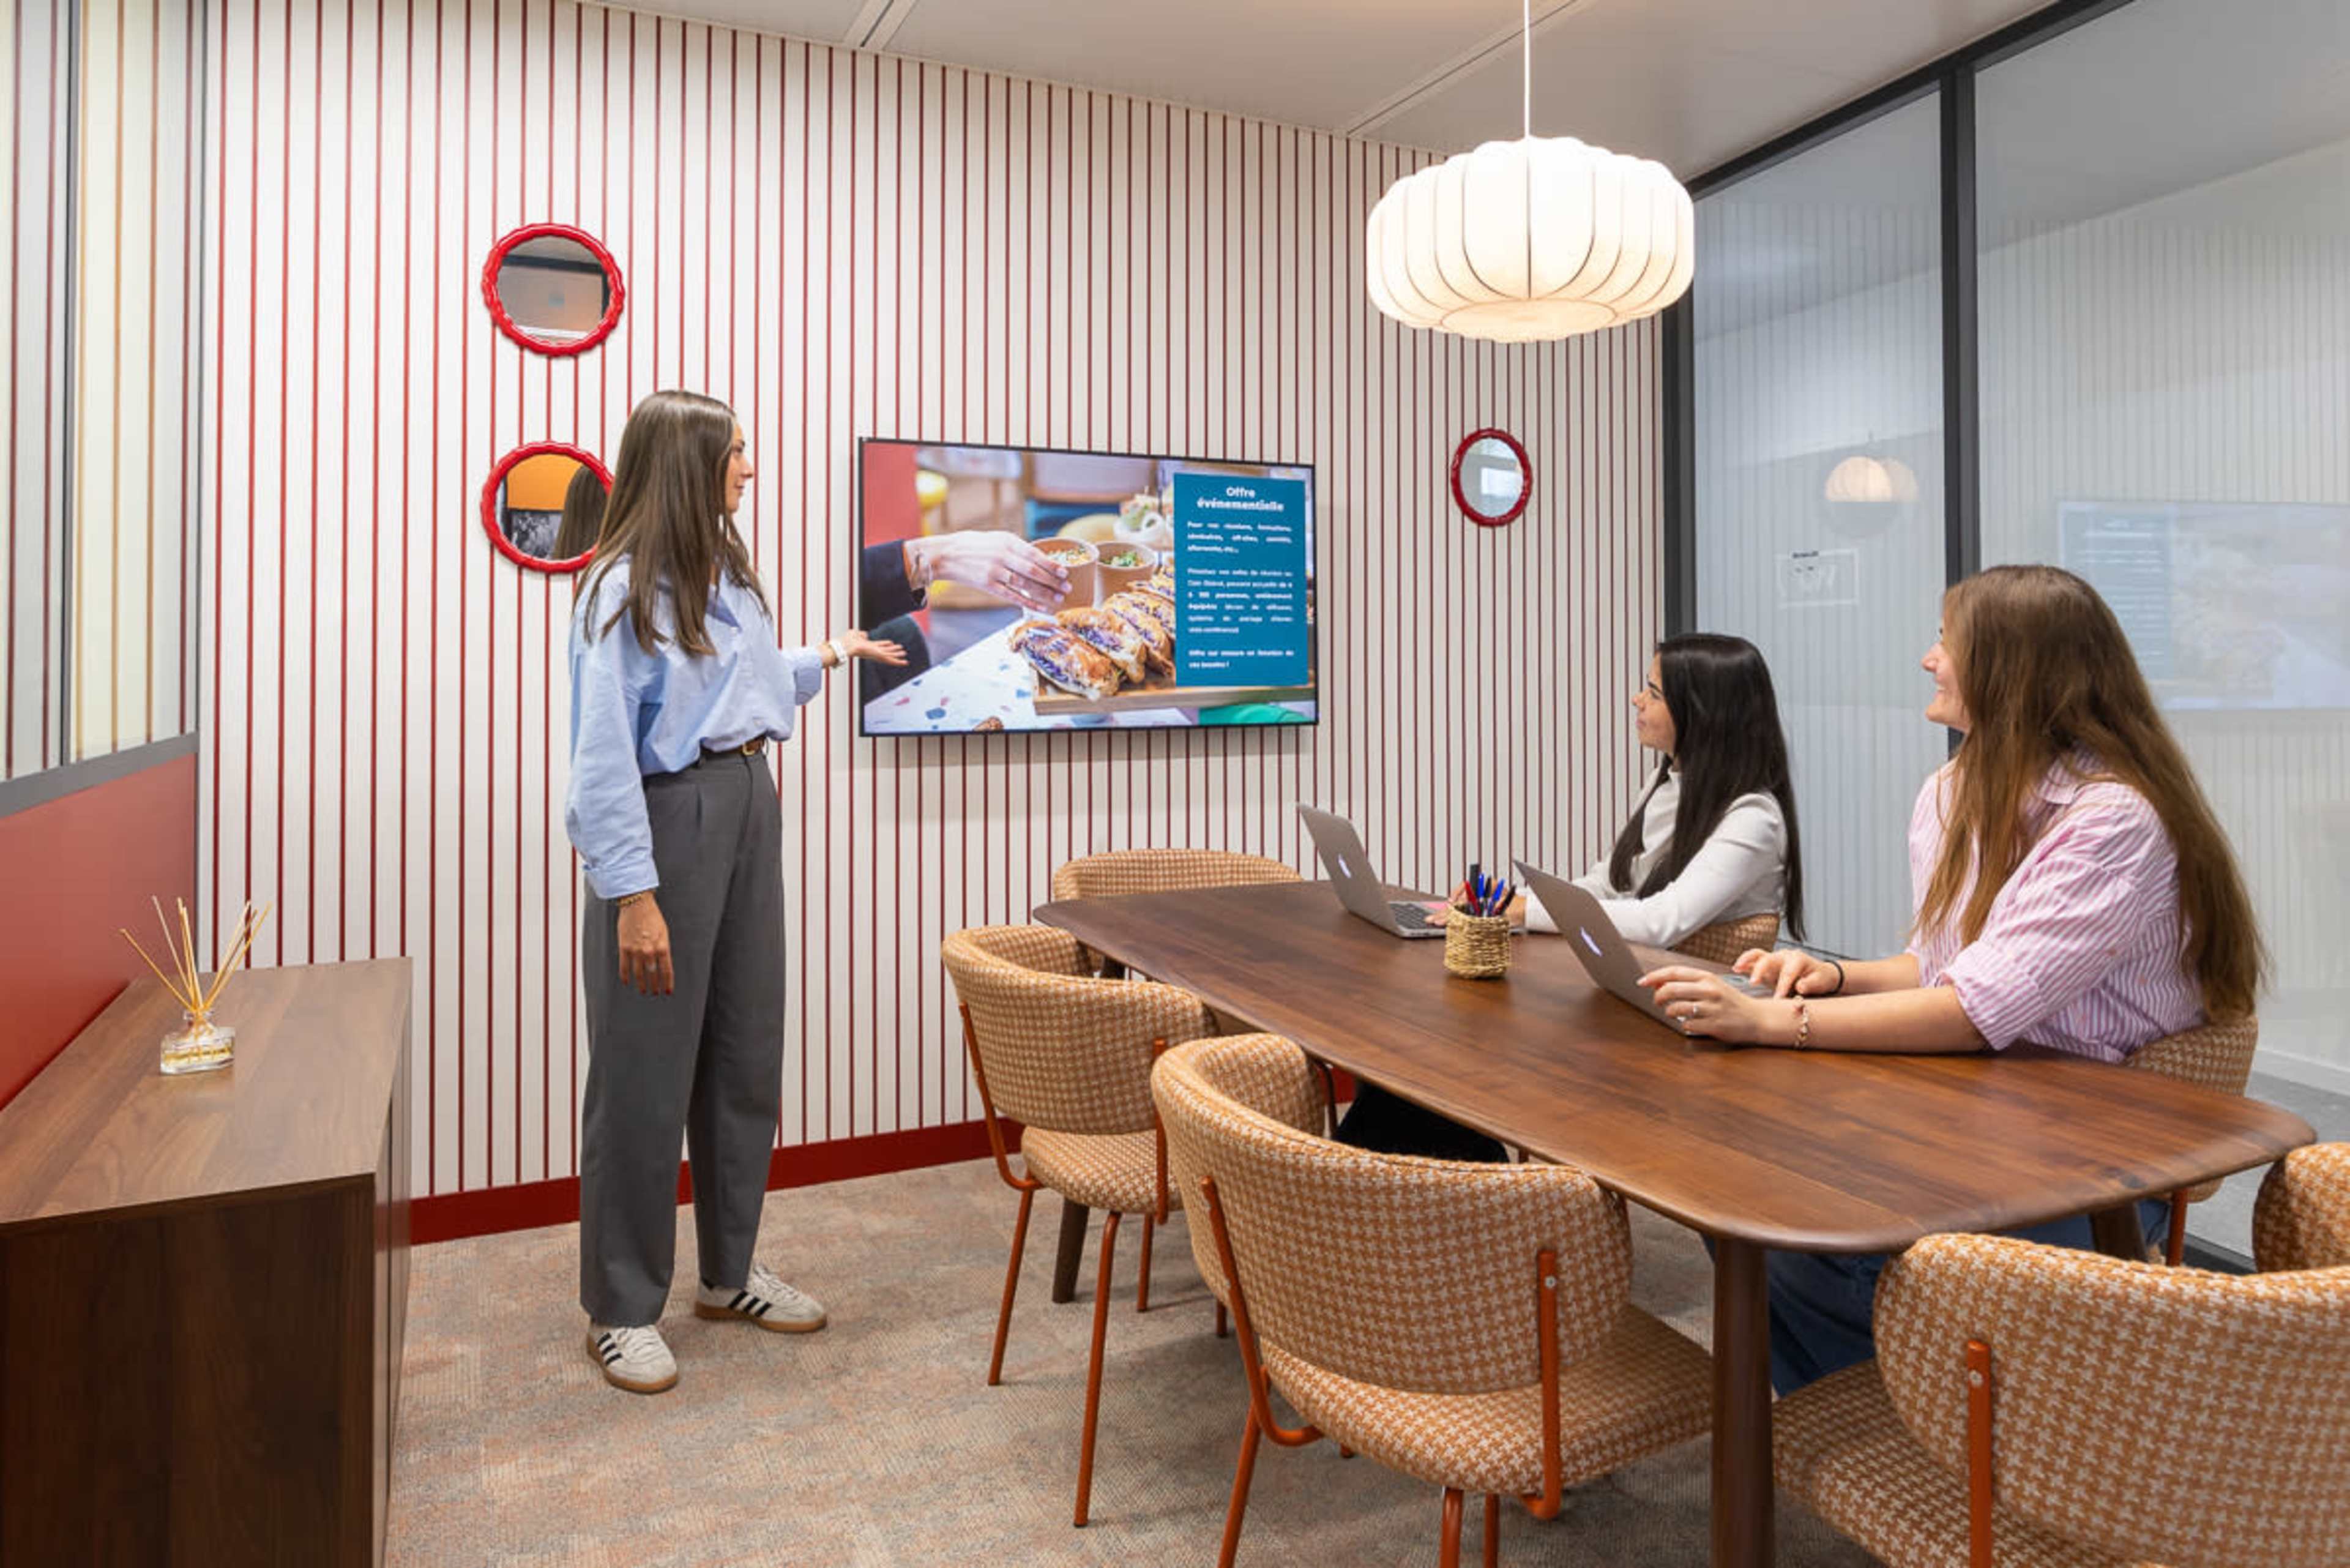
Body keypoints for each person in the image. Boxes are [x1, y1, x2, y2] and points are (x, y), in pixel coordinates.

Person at [1640, 564, 2265, 1394]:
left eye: (1947, 641)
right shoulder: (1954, 788)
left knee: (1793, 1233)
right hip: (1980, 1109)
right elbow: (1941, 968)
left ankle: (1921, 1410)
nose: (1928, 659)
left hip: (2091, 1155)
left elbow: (1972, 1009)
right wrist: (1832, 975)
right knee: (1736, 1192)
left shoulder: (2114, 817)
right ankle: (1886, 1409)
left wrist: (1771, 1024)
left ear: (2014, 670)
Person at [564, 389, 905, 1395]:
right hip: (669, 822)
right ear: (688, 462)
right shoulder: (619, 590)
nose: (752, 469)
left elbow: (736, 690)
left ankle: (727, 1273)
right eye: (739, 453)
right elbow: (601, 763)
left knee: (746, 1049)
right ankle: (621, 1307)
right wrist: (631, 892)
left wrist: (825, 656)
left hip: (751, 797)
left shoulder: (726, 570)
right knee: (642, 1074)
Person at [1335, 632, 1804, 1162]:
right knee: (1415, 1052)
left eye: (1653, 691)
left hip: (1669, 1026)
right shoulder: (1667, 780)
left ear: (1701, 712)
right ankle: (1391, 1203)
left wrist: (1529, 912)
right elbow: (1605, 883)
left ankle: (1441, 1206)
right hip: (1617, 991)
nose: (1637, 700)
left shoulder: (1753, 818)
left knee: (1442, 1053)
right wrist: (1510, 905)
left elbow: (1663, 922)